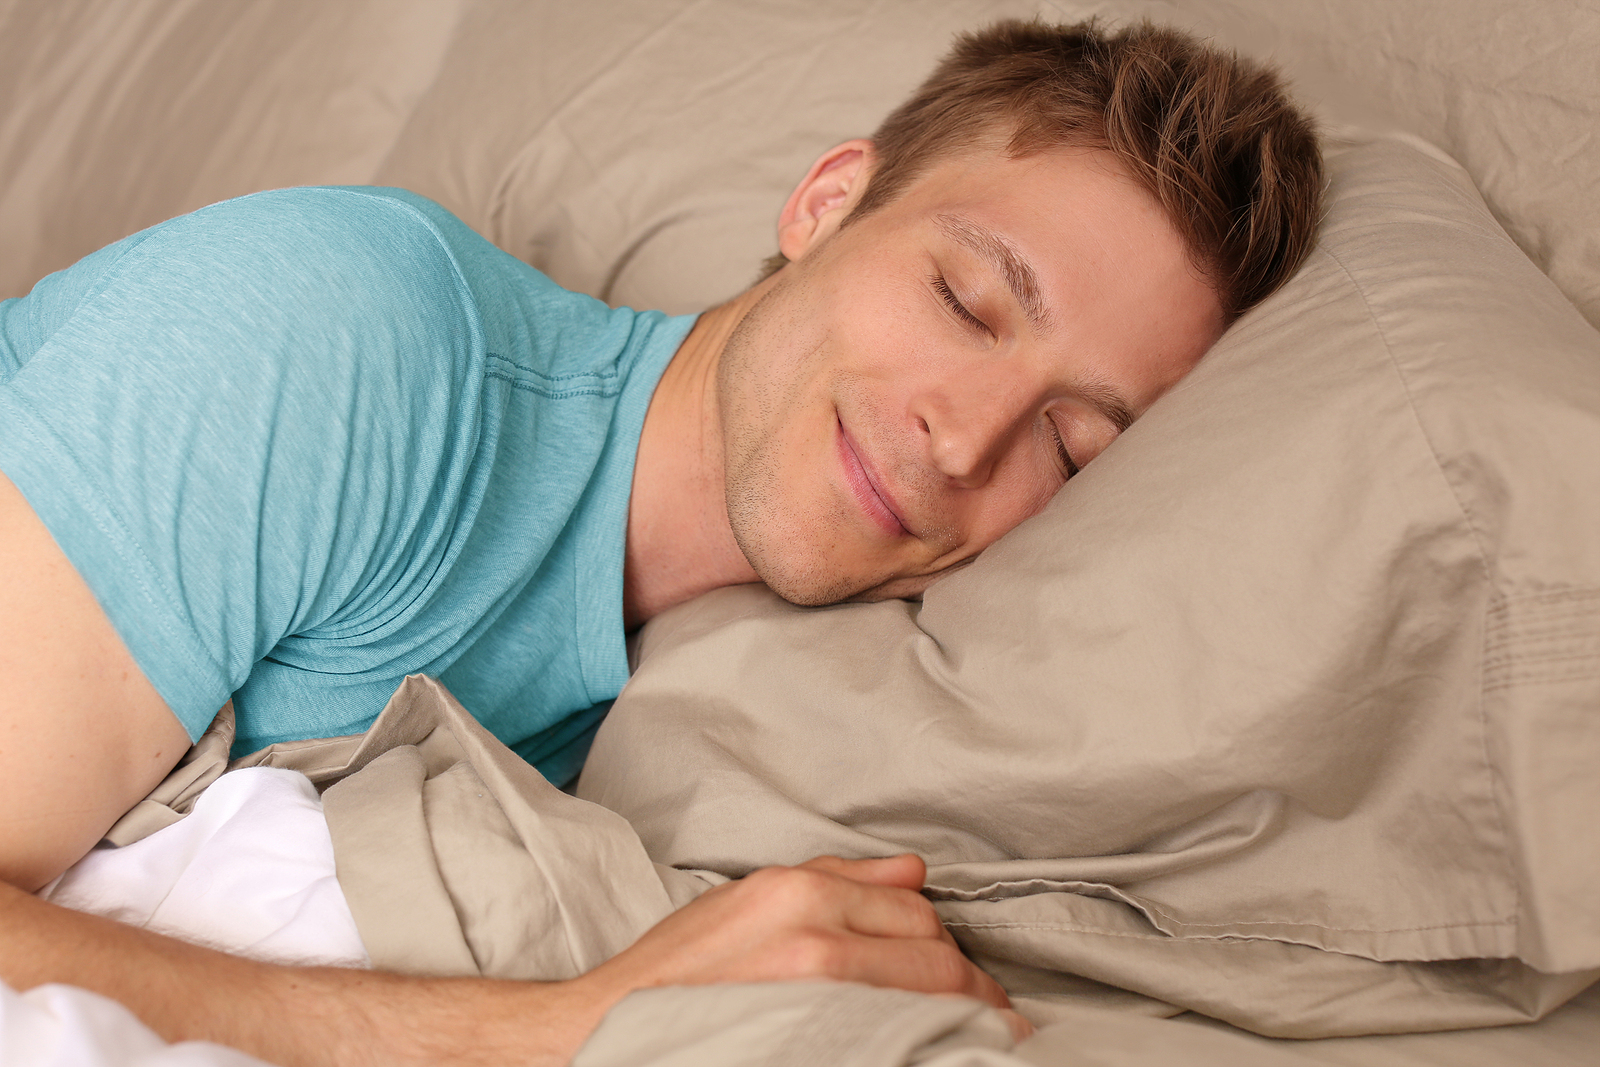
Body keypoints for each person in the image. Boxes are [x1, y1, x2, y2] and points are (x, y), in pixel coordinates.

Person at [0, 17, 1321, 1067]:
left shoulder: (707, 721)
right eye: (965, 301)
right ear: (827, 203)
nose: (967, 441)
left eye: (1071, 445)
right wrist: (559, 1030)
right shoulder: (353, 337)